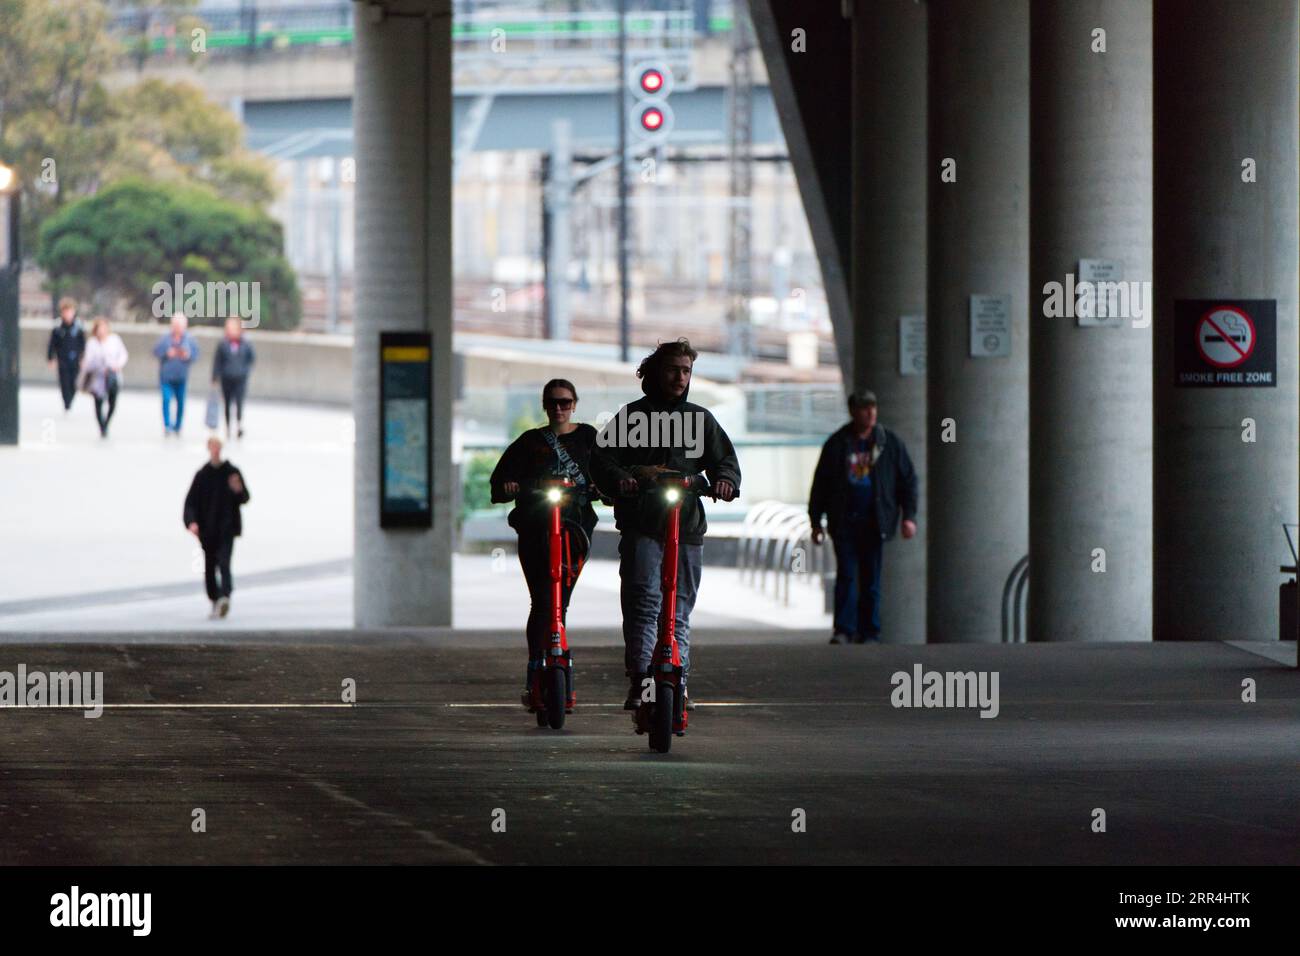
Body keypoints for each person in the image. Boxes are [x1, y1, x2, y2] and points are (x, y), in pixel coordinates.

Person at [590, 338, 741, 710]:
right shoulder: (632, 417)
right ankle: (642, 682)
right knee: (644, 603)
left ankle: (679, 680)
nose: (680, 377)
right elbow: (601, 459)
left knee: (679, 609)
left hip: (686, 525)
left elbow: (725, 460)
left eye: (686, 370)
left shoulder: (700, 419)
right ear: (657, 372)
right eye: (673, 369)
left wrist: (725, 481)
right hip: (643, 524)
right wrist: (621, 480)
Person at [489, 379, 600, 709]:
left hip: (575, 529)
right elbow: (500, 479)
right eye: (553, 402)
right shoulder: (530, 442)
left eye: (565, 402)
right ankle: (536, 665)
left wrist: (608, 487)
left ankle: (556, 655)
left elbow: (607, 473)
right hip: (537, 527)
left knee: (560, 597)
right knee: (541, 599)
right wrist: (509, 486)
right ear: (544, 405)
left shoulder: (589, 438)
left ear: (575, 404)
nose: (559, 408)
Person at [808, 388, 919, 645]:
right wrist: (815, 522)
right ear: (853, 412)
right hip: (844, 521)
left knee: (871, 579)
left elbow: (908, 481)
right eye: (864, 408)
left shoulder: (888, 443)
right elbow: (820, 485)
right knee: (846, 575)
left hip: (875, 521)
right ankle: (844, 630)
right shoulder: (837, 444)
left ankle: (870, 631)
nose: (870, 413)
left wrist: (908, 517)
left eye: (873, 408)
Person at [183, 436, 251, 619]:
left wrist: (238, 490)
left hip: (226, 529)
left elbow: (244, 497)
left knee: (224, 562)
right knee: (210, 566)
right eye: (212, 447)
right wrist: (191, 521)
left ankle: (225, 596)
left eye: (218, 447)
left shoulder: (231, 472)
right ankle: (215, 598)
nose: (215, 450)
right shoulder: (203, 475)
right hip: (207, 530)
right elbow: (191, 503)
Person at [78, 318, 128, 438]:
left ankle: (107, 422)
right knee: (98, 402)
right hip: (97, 377)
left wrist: (117, 365)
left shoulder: (114, 340)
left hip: (112, 375)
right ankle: (102, 427)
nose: (101, 331)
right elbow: (88, 360)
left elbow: (123, 354)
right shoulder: (92, 343)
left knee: (112, 401)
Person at [153, 312, 200, 436]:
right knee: (166, 399)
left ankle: (178, 426)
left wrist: (187, 355)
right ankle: (167, 425)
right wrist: (167, 353)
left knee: (181, 402)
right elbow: (156, 351)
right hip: (166, 376)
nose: (178, 327)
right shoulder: (165, 338)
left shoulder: (189, 340)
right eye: (176, 325)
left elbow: (196, 355)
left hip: (182, 376)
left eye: (180, 325)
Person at [211, 317, 256, 439]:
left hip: (240, 379)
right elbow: (217, 362)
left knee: (239, 402)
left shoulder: (246, 344)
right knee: (227, 403)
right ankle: (227, 426)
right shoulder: (223, 344)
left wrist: (245, 371)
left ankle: (239, 424)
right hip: (226, 378)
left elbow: (251, 359)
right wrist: (215, 377)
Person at [46, 297, 86, 412]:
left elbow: (83, 344)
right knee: (64, 381)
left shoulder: (78, 327)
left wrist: (83, 358)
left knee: (74, 381)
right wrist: (50, 358)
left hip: (75, 359)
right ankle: (66, 402)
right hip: (62, 359)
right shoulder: (58, 327)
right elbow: (52, 344)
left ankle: (71, 398)